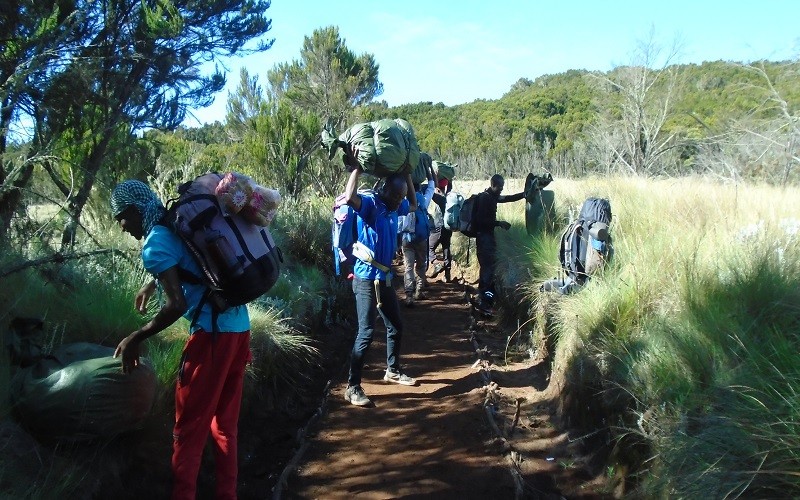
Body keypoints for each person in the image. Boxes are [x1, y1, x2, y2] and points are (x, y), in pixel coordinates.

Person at [110, 180, 251, 500]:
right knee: (224, 428)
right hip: (239, 330)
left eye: (120, 217)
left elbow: (177, 305)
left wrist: (137, 336)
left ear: (132, 210)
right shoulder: (176, 221)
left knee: (187, 434)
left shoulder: (155, 241)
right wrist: (152, 283)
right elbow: (190, 262)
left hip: (210, 341)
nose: (122, 227)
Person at [343, 167, 418, 407]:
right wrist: (356, 170)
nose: (400, 201)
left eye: (401, 196)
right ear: (385, 189)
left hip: (384, 278)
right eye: (396, 195)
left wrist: (407, 176)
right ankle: (352, 387)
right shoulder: (370, 205)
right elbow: (349, 197)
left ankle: (393, 370)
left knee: (395, 325)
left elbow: (414, 205)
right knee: (365, 332)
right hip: (365, 279)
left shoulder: (397, 206)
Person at [472, 174, 525, 315]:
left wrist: (524, 194)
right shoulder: (485, 198)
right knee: (487, 271)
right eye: (500, 187)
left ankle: (484, 302)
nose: (501, 189)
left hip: (488, 238)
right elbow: (480, 222)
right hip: (484, 240)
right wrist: (498, 223)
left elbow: (508, 198)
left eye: (503, 187)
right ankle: (484, 304)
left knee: (489, 271)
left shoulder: (492, 197)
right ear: (493, 184)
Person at [401, 166, 436, 307]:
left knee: (408, 266)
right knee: (421, 264)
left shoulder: (402, 199)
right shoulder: (423, 200)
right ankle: (419, 289)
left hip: (406, 238)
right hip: (421, 237)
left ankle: (409, 295)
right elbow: (432, 187)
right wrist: (429, 171)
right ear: (418, 187)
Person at [428, 177, 453, 282]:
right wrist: (450, 180)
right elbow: (450, 187)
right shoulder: (449, 196)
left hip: (438, 227)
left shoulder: (437, 197)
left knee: (428, 248)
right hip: (448, 228)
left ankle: (435, 263)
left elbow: (430, 191)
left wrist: (433, 180)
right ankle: (447, 275)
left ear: (438, 188)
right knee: (446, 249)